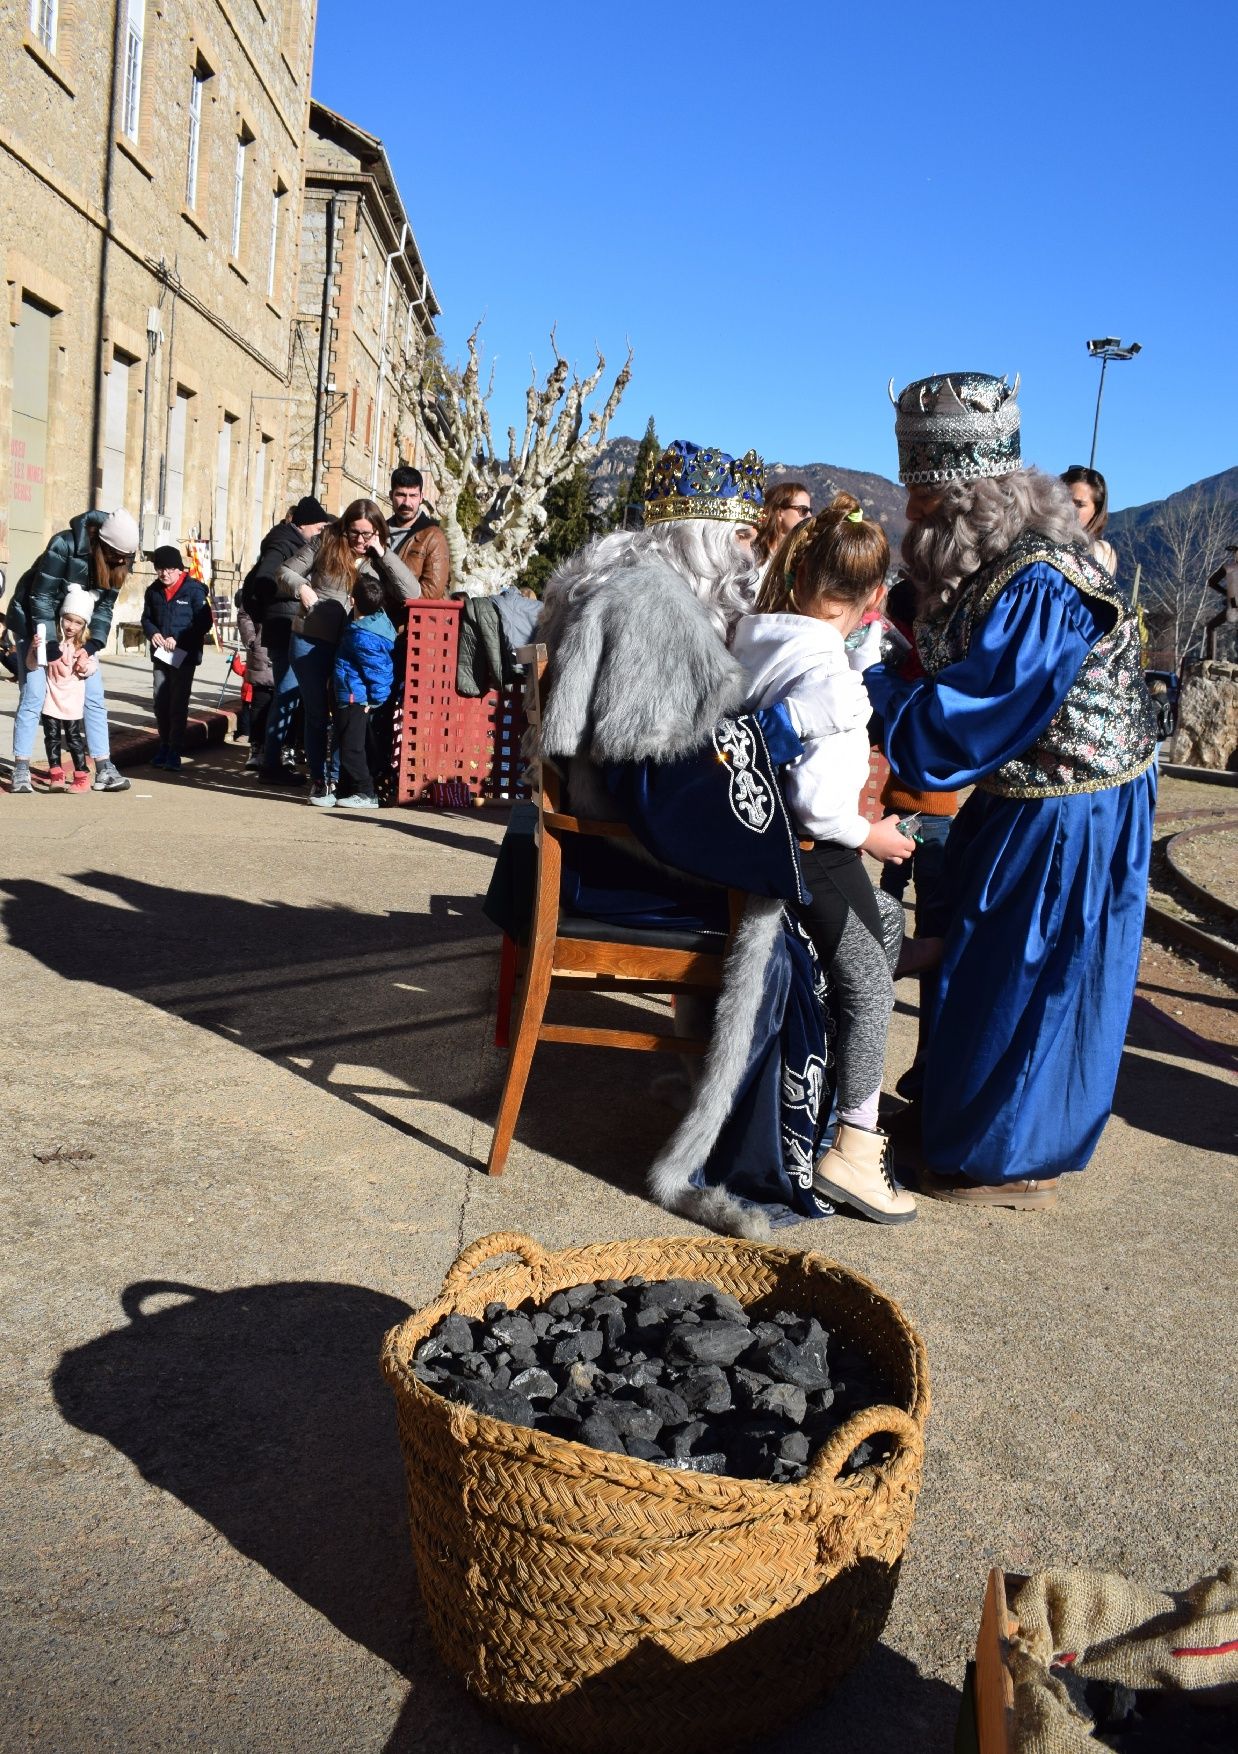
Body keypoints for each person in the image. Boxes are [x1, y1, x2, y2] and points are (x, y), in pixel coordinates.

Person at [521, 439, 872, 1236]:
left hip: (604, 831)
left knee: (794, 883)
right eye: (743, 538)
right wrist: (781, 741)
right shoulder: (653, 608)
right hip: (615, 854)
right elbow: (670, 777)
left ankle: (724, 1100)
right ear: (701, 535)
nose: (755, 559)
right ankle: (740, 1158)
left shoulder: (632, 580)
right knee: (795, 934)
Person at [865, 372, 1157, 1209]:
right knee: (981, 954)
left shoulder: (1041, 582)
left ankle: (1002, 1154)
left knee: (1026, 971)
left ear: (959, 501)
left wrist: (877, 694)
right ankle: (961, 1120)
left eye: (920, 506)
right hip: (1023, 795)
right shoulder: (994, 568)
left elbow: (964, 724)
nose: (910, 522)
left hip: (1076, 806)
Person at [733, 494, 917, 1224]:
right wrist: (871, 834)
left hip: (749, 840)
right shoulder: (835, 681)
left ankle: (839, 1087)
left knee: (885, 930)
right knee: (873, 983)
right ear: (875, 599)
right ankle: (854, 1143)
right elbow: (818, 806)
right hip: (806, 853)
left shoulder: (754, 637)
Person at [273, 499, 417, 805]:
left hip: (350, 648)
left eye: (368, 534)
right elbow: (284, 571)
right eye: (355, 533)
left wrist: (383, 554)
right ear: (345, 528)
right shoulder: (325, 542)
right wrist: (302, 588)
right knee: (315, 714)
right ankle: (319, 781)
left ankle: (337, 781)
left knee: (344, 715)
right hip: (310, 640)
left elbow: (412, 593)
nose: (361, 540)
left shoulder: (378, 558)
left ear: (378, 532)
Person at [8, 507, 138, 793]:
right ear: (103, 544)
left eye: (126, 558)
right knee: (33, 695)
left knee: (93, 696)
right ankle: (20, 768)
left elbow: (104, 607)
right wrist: (51, 646)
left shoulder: (119, 563)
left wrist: (90, 647)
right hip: (34, 625)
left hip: (79, 632)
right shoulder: (64, 544)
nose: (121, 562)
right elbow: (40, 596)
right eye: (116, 555)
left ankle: (104, 768)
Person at [242, 495, 330, 785]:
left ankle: (273, 760)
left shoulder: (289, 540)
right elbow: (266, 580)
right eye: (318, 528)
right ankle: (271, 763)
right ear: (304, 526)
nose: (320, 533)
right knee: (287, 694)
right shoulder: (282, 543)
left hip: (283, 625)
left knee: (287, 694)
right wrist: (298, 590)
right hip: (284, 626)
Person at [140, 546, 213, 770]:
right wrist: (153, 633)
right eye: (160, 569)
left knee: (177, 703)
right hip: (161, 655)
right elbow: (146, 618)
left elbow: (203, 623)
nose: (164, 574)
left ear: (179, 569)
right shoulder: (153, 591)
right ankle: (164, 744)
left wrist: (179, 639)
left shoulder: (193, 590)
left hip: (184, 655)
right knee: (160, 702)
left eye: (169, 569)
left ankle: (175, 749)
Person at [331, 575, 397, 810]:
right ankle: (352, 789)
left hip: (355, 697)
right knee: (350, 743)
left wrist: (375, 700)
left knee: (352, 748)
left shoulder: (363, 636)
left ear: (352, 600)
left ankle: (366, 792)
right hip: (354, 695)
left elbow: (379, 672)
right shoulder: (372, 625)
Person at [33, 585, 98, 793]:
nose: (71, 626)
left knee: (73, 739)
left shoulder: (84, 648)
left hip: (72, 700)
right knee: (51, 737)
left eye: (78, 622)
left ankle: (81, 775)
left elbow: (91, 668)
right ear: (61, 618)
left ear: (84, 626)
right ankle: (56, 773)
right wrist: (36, 649)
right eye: (68, 619)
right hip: (51, 696)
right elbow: (31, 664)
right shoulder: (51, 643)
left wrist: (84, 665)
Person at [386, 466, 450, 598]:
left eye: (413, 496)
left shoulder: (433, 536)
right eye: (401, 495)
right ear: (391, 495)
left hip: (412, 616)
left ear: (421, 497)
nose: (407, 502)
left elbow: (431, 593)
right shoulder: (378, 532)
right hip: (377, 615)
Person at [1061, 465, 1118, 577]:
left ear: (1096, 511)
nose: (1069, 508)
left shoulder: (1100, 552)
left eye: (1079, 504)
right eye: (1064, 500)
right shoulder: (1036, 539)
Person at [752, 480, 812, 570]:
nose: (809, 516)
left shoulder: (804, 559)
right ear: (780, 513)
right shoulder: (753, 558)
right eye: (803, 510)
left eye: (810, 511)